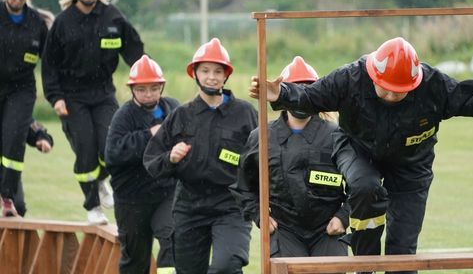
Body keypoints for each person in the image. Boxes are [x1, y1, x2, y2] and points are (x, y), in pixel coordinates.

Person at [250, 37, 473, 274]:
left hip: (413, 165)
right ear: (373, 75)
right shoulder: (350, 77)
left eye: (398, 93)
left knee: (402, 251)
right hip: (357, 149)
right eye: (384, 90)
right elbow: (312, 97)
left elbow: (469, 96)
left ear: (414, 83)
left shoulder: (432, 84)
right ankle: (365, 265)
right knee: (364, 187)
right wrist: (280, 94)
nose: (390, 97)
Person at [143, 38, 257, 274]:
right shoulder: (181, 115)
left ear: (226, 75)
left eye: (218, 71)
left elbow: (264, 159)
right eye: (205, 71)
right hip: (189, 207)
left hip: (232, 206)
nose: (212, 77)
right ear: (194, 74)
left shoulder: (245, 113)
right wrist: (171, 158)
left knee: (227, 266)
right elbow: (152, 161)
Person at [41, 0, 144, 225]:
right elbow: (49, 65)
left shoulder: (113, 17)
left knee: (112, 145)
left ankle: (101, 178)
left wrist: (143, 76)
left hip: (103, 94)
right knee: (85, 148)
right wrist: (55, 98)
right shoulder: (63, 22)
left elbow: (134, 50)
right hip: (72, 96)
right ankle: (92, 205)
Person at [230, 56, 349, 258]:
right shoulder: (262, 137)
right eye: (295, 88)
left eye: (307, 89)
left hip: (328, 228)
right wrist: (259, 215)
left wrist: (343, 216)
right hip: (285, 230)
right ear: (283, 93)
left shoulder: (336, 135)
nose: (300, 95)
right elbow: (244, 187)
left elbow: (359, 184)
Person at [105, 55, 177, 274]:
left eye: (154, 88)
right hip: (131, 200)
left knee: (172, 236)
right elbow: (113, 153)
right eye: (142, 89)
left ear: (161, 87)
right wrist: (149, 135)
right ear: (132, 89)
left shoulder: (173, 108)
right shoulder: (123, 116)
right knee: (135, 261)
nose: (149, 94)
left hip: (166, 193)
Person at [0, 0, 48, 217]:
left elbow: (50, 62)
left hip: (22, 89)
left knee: (14, 138)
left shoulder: (37, 23)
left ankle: (7, 197)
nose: (16, 0)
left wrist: (57, 92)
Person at [1, 119, 54, 217]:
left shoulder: (13, 109)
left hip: (8, 173)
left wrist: (42, 137)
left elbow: (27, 121)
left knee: (17, 207)